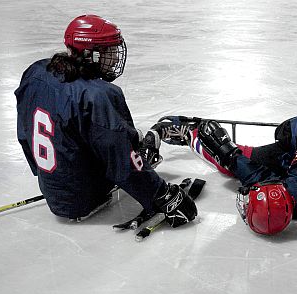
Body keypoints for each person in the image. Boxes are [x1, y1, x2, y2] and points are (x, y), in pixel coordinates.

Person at [15, 15, 197, 228]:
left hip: (52, 188)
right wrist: (162, 194)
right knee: (126, 140)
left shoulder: (36, 72)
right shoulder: (98, 95)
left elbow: (25, 132)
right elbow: (123, 161)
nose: (114, 58)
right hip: (86, 197)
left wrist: (49, 176)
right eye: (109, 51)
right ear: (89, 54)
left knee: (106, 133)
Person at [147, 85, 297, 233]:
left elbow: (260, 180)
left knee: (232, 163)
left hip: (287, 162)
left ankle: (190, 136)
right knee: (281, 133)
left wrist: (227, 152)